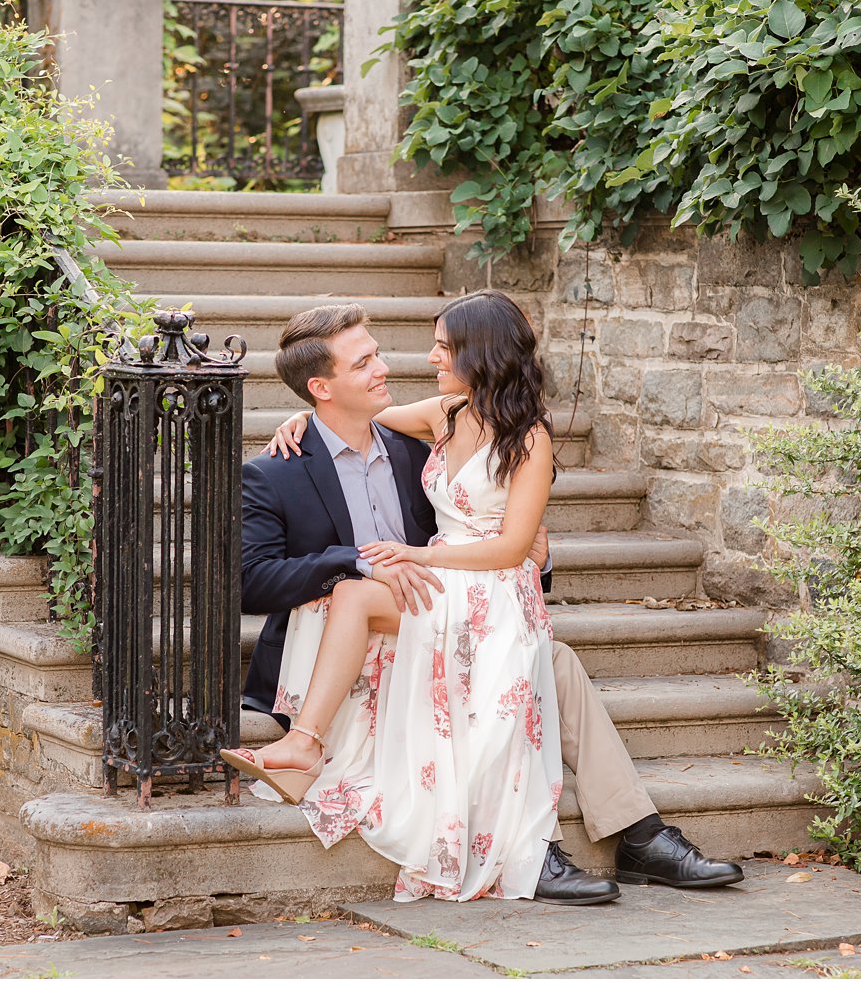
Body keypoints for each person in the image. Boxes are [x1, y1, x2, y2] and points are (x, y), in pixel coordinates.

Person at [226, 298, 743, 902]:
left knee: (552, 664)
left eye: (377, 353)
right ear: (321, 387)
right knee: (517, 666)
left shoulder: (421, 439)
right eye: (364, 361)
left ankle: (638, 833)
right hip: (357, 640)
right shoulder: (277, 469)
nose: (387, 367)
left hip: (448, 610)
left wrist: (531, 554)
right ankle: (531, 849)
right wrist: (358, 555)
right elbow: (254, 583)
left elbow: (491, 530)